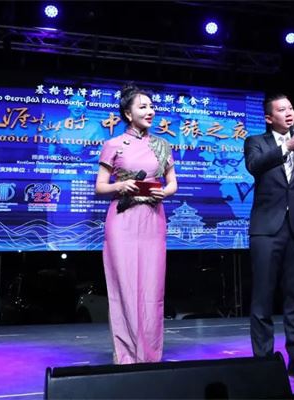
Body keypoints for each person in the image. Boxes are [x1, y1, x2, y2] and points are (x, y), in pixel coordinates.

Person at [244, 93, 294, 381]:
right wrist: (285, 147)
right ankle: (263, 363)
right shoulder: (256, 142)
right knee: (263, 298)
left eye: (291, 107)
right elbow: (254, 166)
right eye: (282, 109)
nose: (289, 112)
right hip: (266, 229)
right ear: (269, 118)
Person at [95, 83, 178, 364]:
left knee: (152, 288)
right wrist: (121, 185)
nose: (150, 111)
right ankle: (126, 354)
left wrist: (164, 192)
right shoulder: (114, 144)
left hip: (153, 217)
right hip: (123, 219)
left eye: (152, 106)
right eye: (143, 107)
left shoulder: (162, 145)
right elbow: (100, 187)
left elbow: (172, 183)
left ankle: (149, 354)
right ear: (128, 114)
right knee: (125, 287)